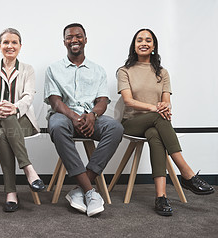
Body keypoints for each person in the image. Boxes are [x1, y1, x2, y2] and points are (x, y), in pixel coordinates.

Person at [117, 28, 215, 216]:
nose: (143, 43)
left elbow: (166, 103)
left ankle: (160, 197)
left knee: (155, 134)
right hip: (132, 123)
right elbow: (129, 101)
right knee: (157, 116)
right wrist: (156, 108)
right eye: (139, 40)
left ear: (154, 46)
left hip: (155, 123)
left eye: (148, 40)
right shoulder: (124, 71)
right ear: (134, 45)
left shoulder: (162, 72)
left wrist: (163, 107)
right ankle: (187, 173)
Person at [44, 23, 123, 217]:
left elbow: (102, 100)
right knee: (56, 125)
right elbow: (55, 101)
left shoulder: (98, 70)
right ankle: (90, 191)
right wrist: (74, 116)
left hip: (91, 118)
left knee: (115, 128)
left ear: (85, 40)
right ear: (64, 42)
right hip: (64, 117)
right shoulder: (53, 69)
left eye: (78, 36)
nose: (74, 40)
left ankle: (80, 189)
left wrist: (92, 116)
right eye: (69, 37)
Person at [0, 28, 45, 212]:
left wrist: (14, 108)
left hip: (22, 120)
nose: (10, 46)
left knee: (2, 135)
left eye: (14, 42)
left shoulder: (28, 69)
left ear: (20, 46)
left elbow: (28, 96)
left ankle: (11, 193)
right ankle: (29, 169)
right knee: (2, 120)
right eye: (6, 42)